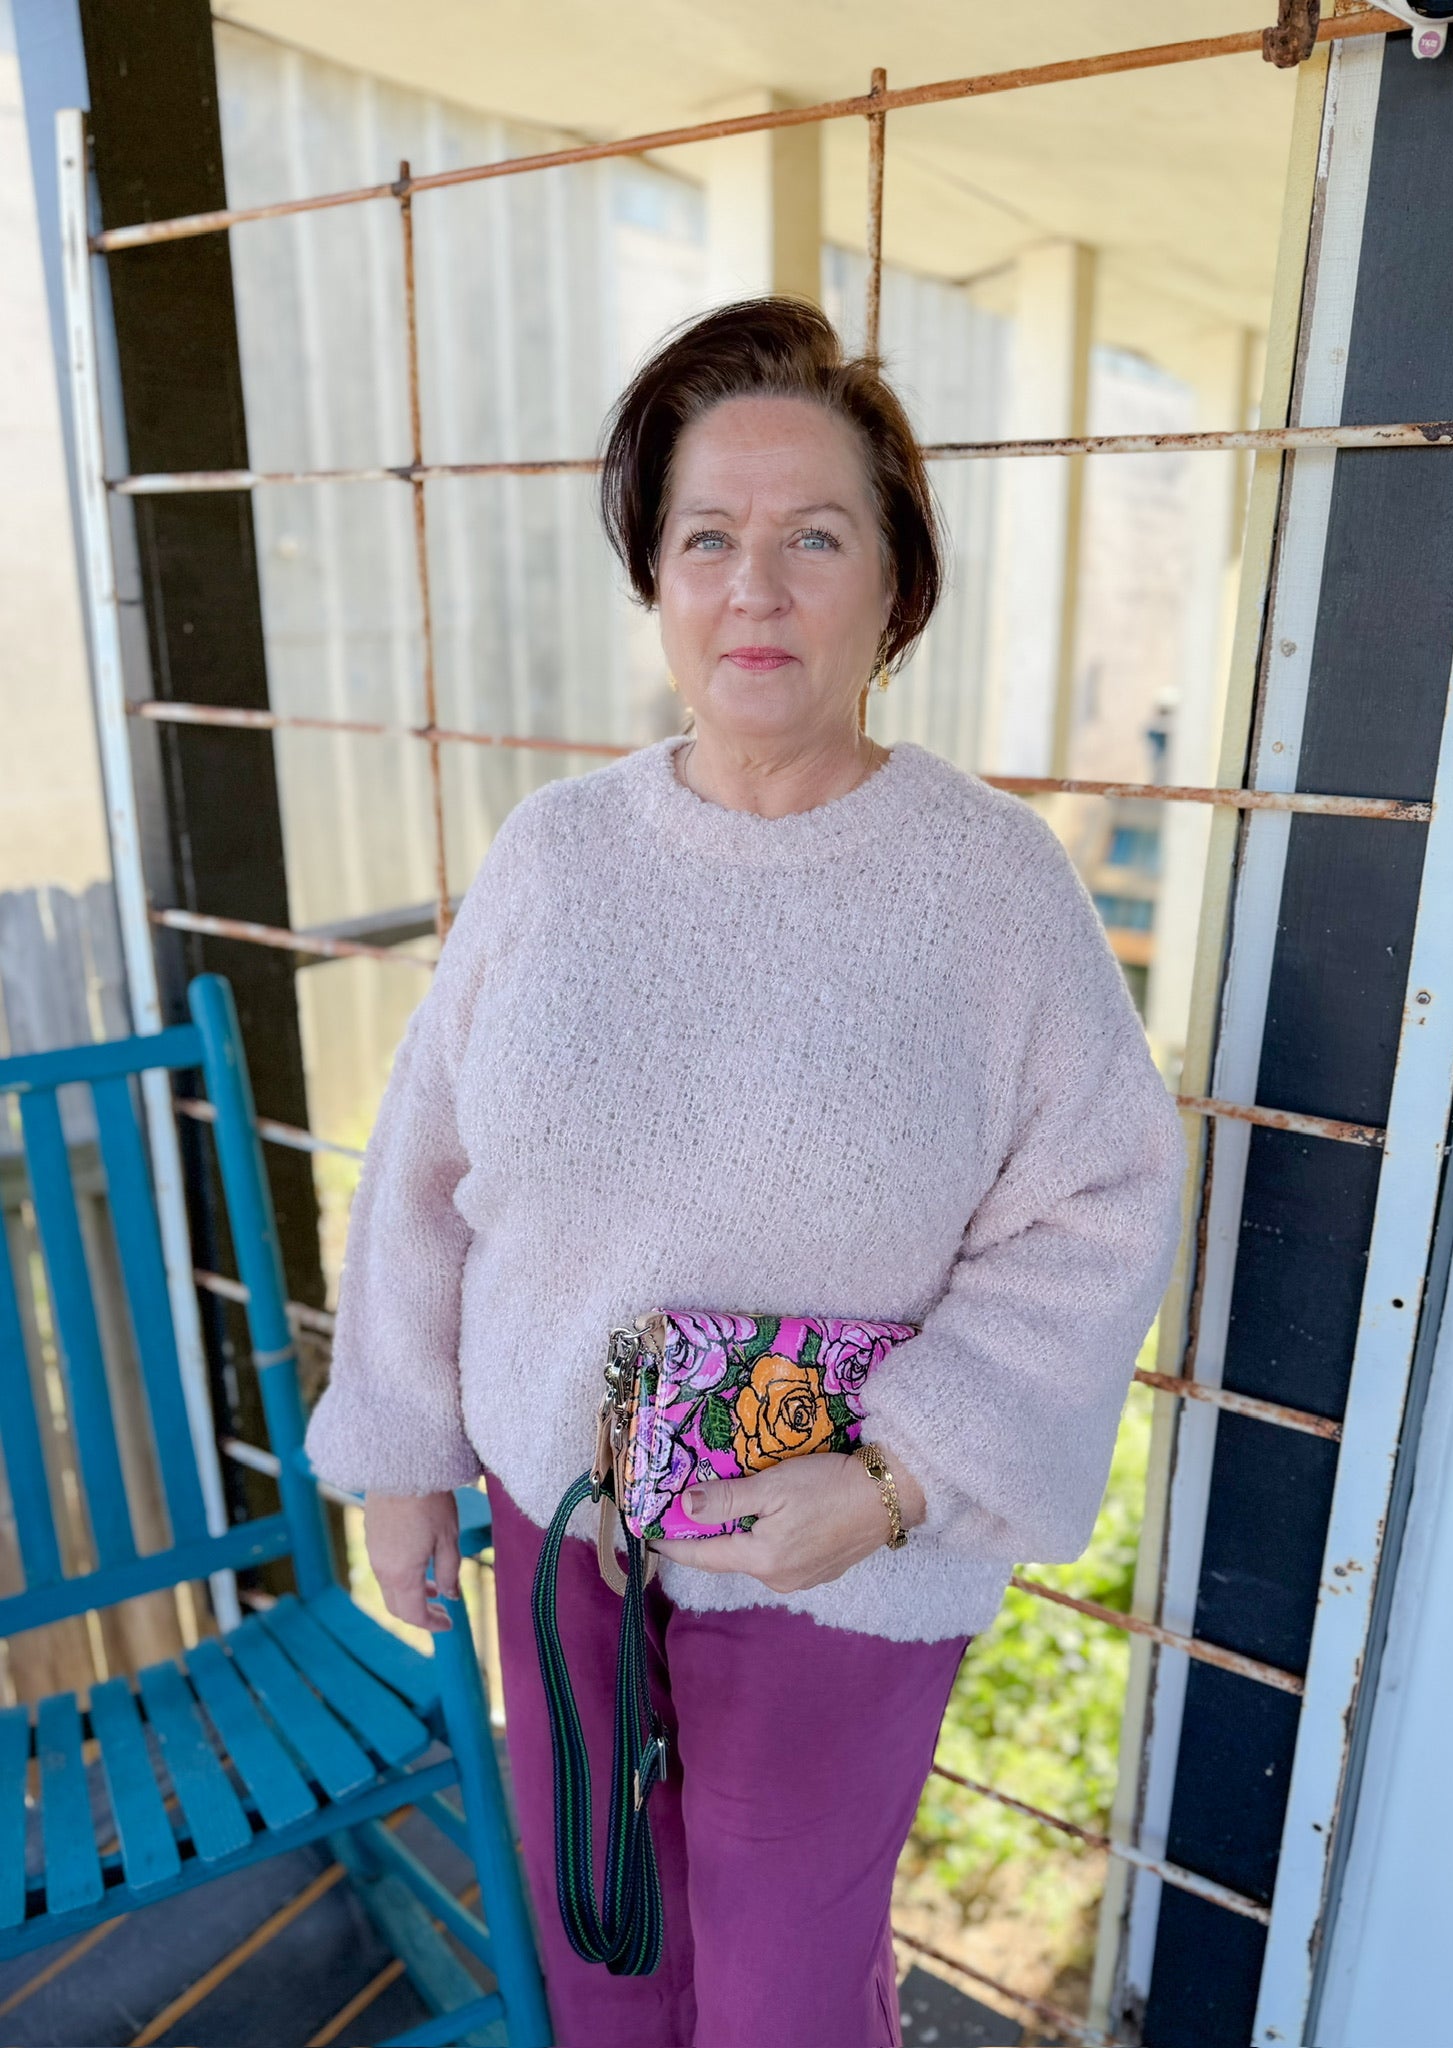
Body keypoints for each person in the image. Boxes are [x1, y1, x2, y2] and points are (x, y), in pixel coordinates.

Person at [304, 296, 1188, 2048]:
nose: (754, 589)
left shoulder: (993, 890)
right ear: (655, 575)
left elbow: (1098, 1209)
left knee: (787, 1996)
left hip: (836, 1560)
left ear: (898, 584)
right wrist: (399, 1457)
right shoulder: (558, 856)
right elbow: (427, 1169)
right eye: (708, 537)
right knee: (601, 1949)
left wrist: (901, 1478)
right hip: (561, 1527)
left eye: (815, 538)